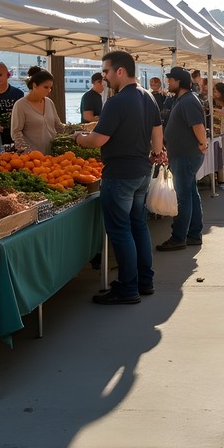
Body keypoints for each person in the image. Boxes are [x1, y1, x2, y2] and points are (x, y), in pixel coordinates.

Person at [75, 51, 164, 304]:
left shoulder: (116, 102)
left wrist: (79, 139)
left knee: (121, 230)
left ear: (120, 71)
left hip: (120, 175)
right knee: (138, 226)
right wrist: (156, 154)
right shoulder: (149, 97)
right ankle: (145, 281)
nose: (104, 76)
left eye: (106, 71)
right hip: (142, 172)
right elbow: (158, 133)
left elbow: (98, 140)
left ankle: (127, 287)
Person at [156, 66, 209, 252]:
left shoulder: (187, 101)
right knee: (191, 194)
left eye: (171, 80)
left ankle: (179, 237)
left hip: (186, 155)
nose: (168, 83)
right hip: (183, 155)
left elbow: (198, 126)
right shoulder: (182, 99)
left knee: (183, 197)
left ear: (179, 82)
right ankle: (194, 234)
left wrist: (203, 144)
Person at [10, 66, 67, 155]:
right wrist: (28, 152)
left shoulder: (49, 102)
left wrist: (77, 132)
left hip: (53, 156)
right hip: (32, 159)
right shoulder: (20, 105)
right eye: (46, 87)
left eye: (50, 87)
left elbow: (58, 126)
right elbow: (16, 132)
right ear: (34, 85)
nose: (49, 90)